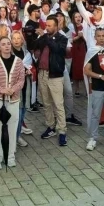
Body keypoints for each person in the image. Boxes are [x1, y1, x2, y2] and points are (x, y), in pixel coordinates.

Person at [0, 36, 25, 169]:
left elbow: (21, 80)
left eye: (8, 44)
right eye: (3, 44)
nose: (7, 46)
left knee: (12, 128)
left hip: (13, 99)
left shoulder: (18, 61)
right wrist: (1, 89)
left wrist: (12, 89)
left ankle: (9, 156)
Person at [36, 16, 69, 146]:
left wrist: (46, 37)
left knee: (58, 104)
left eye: (50, 26)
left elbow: (57, 49)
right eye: (46, 25)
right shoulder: (44, 38)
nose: (47, 28)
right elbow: (34, 46)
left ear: (56, 26)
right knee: (46, 103)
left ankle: (62, 131)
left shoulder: (62, 39)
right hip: (42, 73)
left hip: (55, 75)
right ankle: (50, 126)